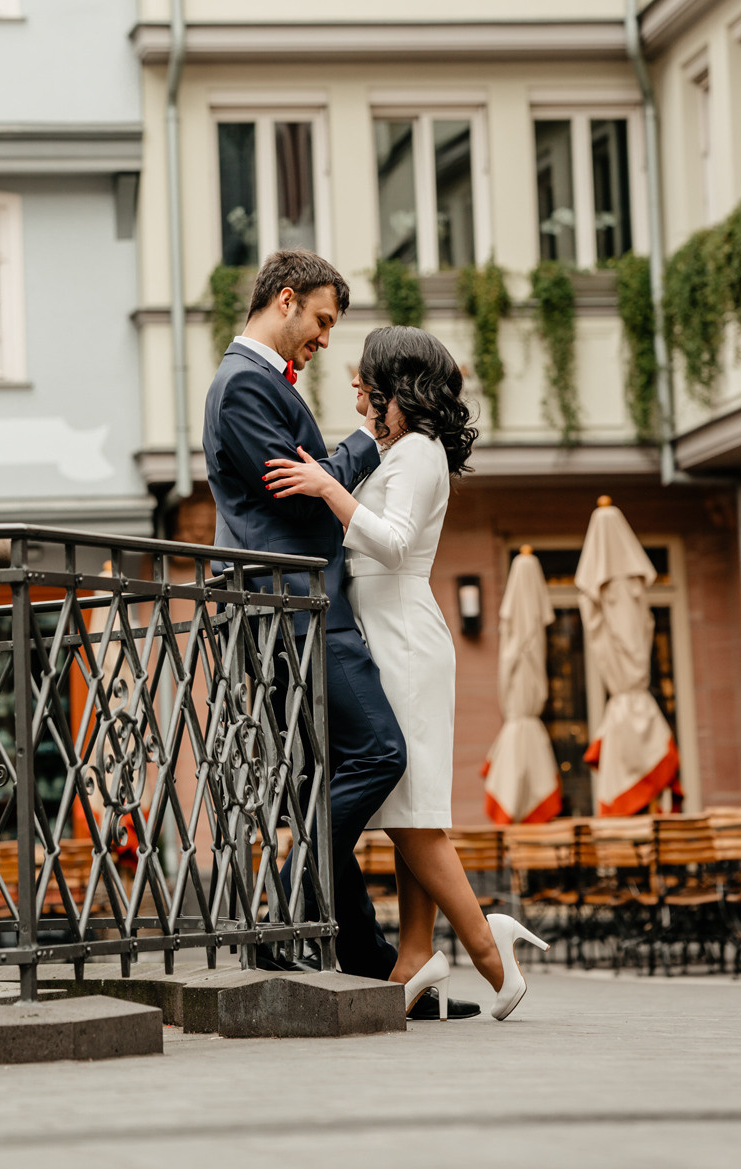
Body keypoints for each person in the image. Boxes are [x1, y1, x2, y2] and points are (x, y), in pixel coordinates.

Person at [202, 250, 479, 1016]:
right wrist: (365, 444)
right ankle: (288, 903)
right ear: (285, 299)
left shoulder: (256, 381)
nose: (324, 339)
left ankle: (379, 972)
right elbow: (295, 499)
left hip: (308, 606)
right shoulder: (242, 385)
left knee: (324, 783)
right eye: (321, 320)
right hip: (297, 608)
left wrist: (336, 468)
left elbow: (313, 481)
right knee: (382, 755)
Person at [264, 324, 548, 1021]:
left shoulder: (420, 451)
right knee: (409, 811)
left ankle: (488, 949)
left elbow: (390, 545)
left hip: (405, 641)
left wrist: (327, 487)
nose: (358, 391)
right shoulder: (401, 449)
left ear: (400, 384)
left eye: (367, 381)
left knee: (415, 818)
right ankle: (415, 954)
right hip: (387, 635)